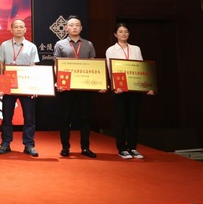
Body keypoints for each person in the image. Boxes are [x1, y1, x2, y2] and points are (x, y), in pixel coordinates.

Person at [53, 15, 101, 158]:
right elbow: (56, 65)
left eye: (77, 25)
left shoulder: (88, 44)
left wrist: (99, 83)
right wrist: (58, 82)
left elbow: (94, 65)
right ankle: (65, 147)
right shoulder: (60, 44)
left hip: (84, 87)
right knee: (65, 118)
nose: (74, 27)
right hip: (66, 87)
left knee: (85, 118)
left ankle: (85, 148)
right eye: (71, 25)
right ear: (66, 28)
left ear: (81, 28)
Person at [105, 22, 154, 159]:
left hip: (135, 89)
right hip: (120, 90)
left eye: (126, 31)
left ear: (129, 34)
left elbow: (142, 68)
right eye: (120, 32)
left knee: (133, 119)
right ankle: (121, 148)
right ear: (115, 34)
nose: (123, 34)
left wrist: (147, 87)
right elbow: (111, 69)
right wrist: (116, 86)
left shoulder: (136, 49)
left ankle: (132, 147)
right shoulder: (111, 50)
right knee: (121, 119)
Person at [0, 19, 41, 157]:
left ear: (25, 29)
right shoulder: (4, 45)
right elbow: (1, 66)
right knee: (7, 116)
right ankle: (5, 143)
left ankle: (29, 145)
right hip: (8, 85)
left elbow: (33, 67)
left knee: (29, 117)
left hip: (26, 85)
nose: (19, 29)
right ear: (11, 29)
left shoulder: (31, 46)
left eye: (21, 27)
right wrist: (1, 86)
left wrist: (34, 88)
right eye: (16, 27)